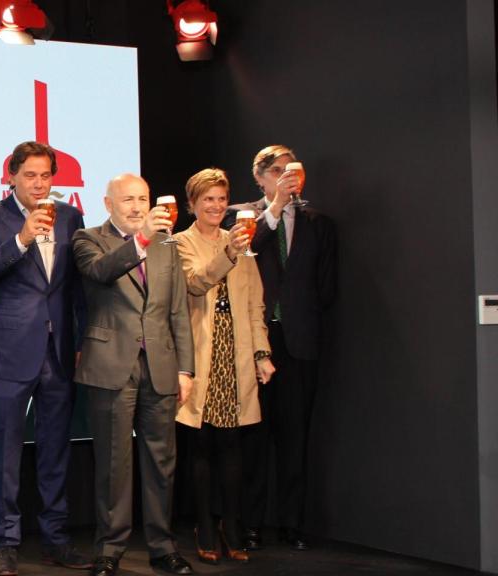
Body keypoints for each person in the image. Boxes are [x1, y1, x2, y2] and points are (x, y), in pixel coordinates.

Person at [0, 140, 89, 576]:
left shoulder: (70, 217)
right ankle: (6, 542)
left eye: (45, 175)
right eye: (30, 175)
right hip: (10, 352)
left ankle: (56, 538)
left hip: (59, 351)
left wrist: (79, 340)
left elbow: (76, 287)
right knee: (6, 453)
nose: (39, 184)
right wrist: (20, 239)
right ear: (12, 177)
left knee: (56, 451)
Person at [72, 174, 195, 576]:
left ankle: (163, 547)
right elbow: (100, 272)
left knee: (162, 462)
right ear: (108, 204)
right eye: (128, 200)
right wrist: (141, 239)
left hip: (160, 365)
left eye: (143, 198)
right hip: (111, 366)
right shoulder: (88, 239)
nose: (138, 206)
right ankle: (110, 549)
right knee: (113, 464)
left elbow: (177, 310)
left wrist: (185, 368)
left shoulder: (166, 244)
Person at [231, 146, 337, 551]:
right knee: (253, 437)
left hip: (299, 342)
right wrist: (274, 207)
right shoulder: (240, 216)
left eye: (294, 170)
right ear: (259, 177)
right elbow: (243, 249)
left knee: (295, 437)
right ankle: (251, 524)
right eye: (278, 171)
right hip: (254, 339)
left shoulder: (318, 224)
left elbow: (326, 288)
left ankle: (292, 523)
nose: (288, 177)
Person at [174, 168, 275, 565]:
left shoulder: (241, 243)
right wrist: (230, 252)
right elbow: (195, 283)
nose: (215, 206)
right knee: (201, 444)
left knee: (233, 445)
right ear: (192, 204)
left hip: (237, 352)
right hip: (201, 353)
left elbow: (254, 303)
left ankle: (230, 525)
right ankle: (203, 524)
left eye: (220, 199)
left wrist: (262, 353)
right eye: (208, 200)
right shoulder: (181, 243)